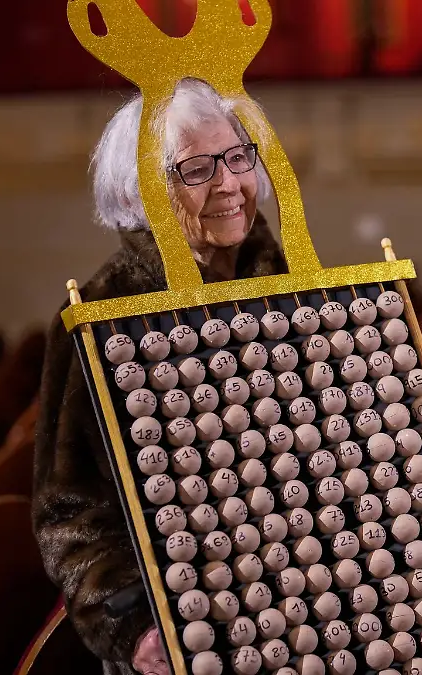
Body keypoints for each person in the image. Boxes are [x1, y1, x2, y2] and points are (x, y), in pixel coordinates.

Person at [32, 78, 289, 675]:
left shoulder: (293, 284)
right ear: (141, 190)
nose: (228, 184)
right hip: (187, 630)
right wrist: (133, 632)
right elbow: (70, 511)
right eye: (196, 169)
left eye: (236, 158)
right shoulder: (103, 313)